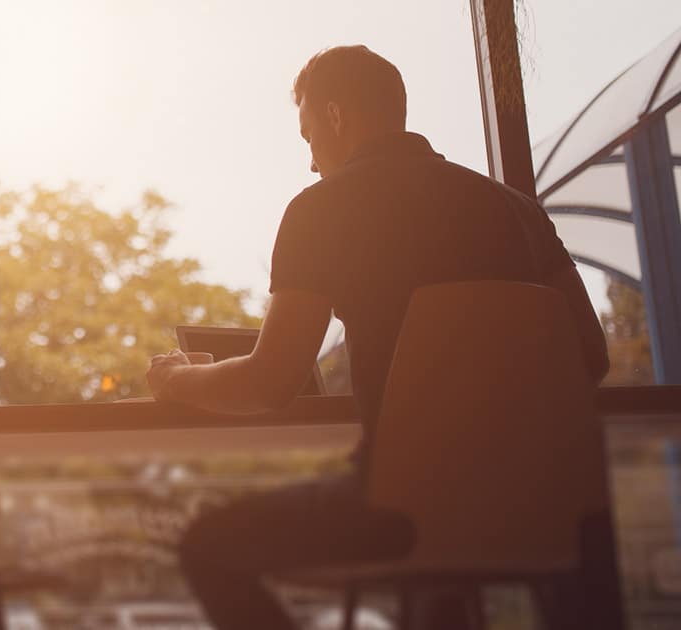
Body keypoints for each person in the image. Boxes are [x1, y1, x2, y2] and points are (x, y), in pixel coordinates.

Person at [146, 45, 617, 630]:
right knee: (440, 578)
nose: (312, 161)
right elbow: (590, 357)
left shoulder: (321, 210)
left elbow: (269, 384)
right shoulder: (516, 208)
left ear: (336, 117)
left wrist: (175, 377)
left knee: (206, 546)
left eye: (309, 135)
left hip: (401, 513)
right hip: (553, 507)